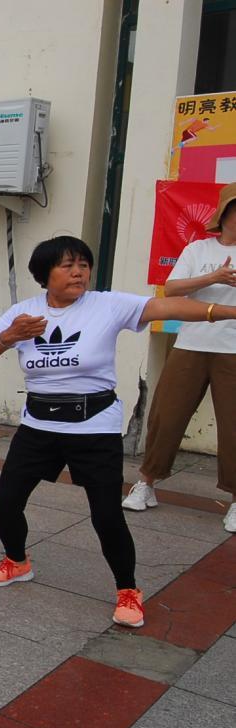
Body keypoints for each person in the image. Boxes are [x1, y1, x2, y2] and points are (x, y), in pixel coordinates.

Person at [0, 236, 236, 628]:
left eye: (83, 264)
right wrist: (10, 336)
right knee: (7, 502)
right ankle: (16, 561)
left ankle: (128, 590)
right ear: (45, 273)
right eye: (67, 265)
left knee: (107, 515)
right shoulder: (23, 312)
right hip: (38, 425)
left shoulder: (107, 304)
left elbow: (166, 304)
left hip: (94, 426)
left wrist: (224, 311)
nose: (78, 272)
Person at [123, 183, 236, 533]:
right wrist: (215, 276)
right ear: (224, 214)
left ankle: (235, 501)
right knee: (166, 416)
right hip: (190, 344)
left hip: (232, 349)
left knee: (234, 427)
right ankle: (146, 483)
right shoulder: (197, 248)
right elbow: (171, 289)